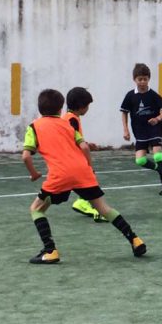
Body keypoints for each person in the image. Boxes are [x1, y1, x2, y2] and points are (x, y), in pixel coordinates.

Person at [22, 89, 147, 264]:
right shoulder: (67, 124)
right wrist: (89, 167)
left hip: (60, 176)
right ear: (60, 109)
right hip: (82, 171)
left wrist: (34, 174)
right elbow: (85, 147)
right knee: (104, 209)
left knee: (36, 208)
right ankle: (135, 239)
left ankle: (50, 251)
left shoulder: (34, 126)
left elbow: (26, 156)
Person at [120, 63, 162, 195]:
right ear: (134, 79)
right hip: (140, 132)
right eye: (140, 79)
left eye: (145, 79)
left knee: (158, 155)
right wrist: (125, 130)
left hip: (154, 130)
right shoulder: (130, 96)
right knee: (140, 160)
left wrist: (157, 119)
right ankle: (160, 170)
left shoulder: (153, 95)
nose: (142, 82)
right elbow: (124, 112)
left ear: (149, 79)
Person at [64, 86, 106, 222]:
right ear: (81, 106)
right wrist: (89, 163)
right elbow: (76, 143)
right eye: (87, 105)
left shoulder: (68, 118)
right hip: (75, 159)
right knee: (91, 181)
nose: (88, 109)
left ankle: (84, 202)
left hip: (69, 159)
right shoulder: (72, 119)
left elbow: (73, 138)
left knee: (86, 184)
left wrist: (87, 144)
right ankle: (91, 206)